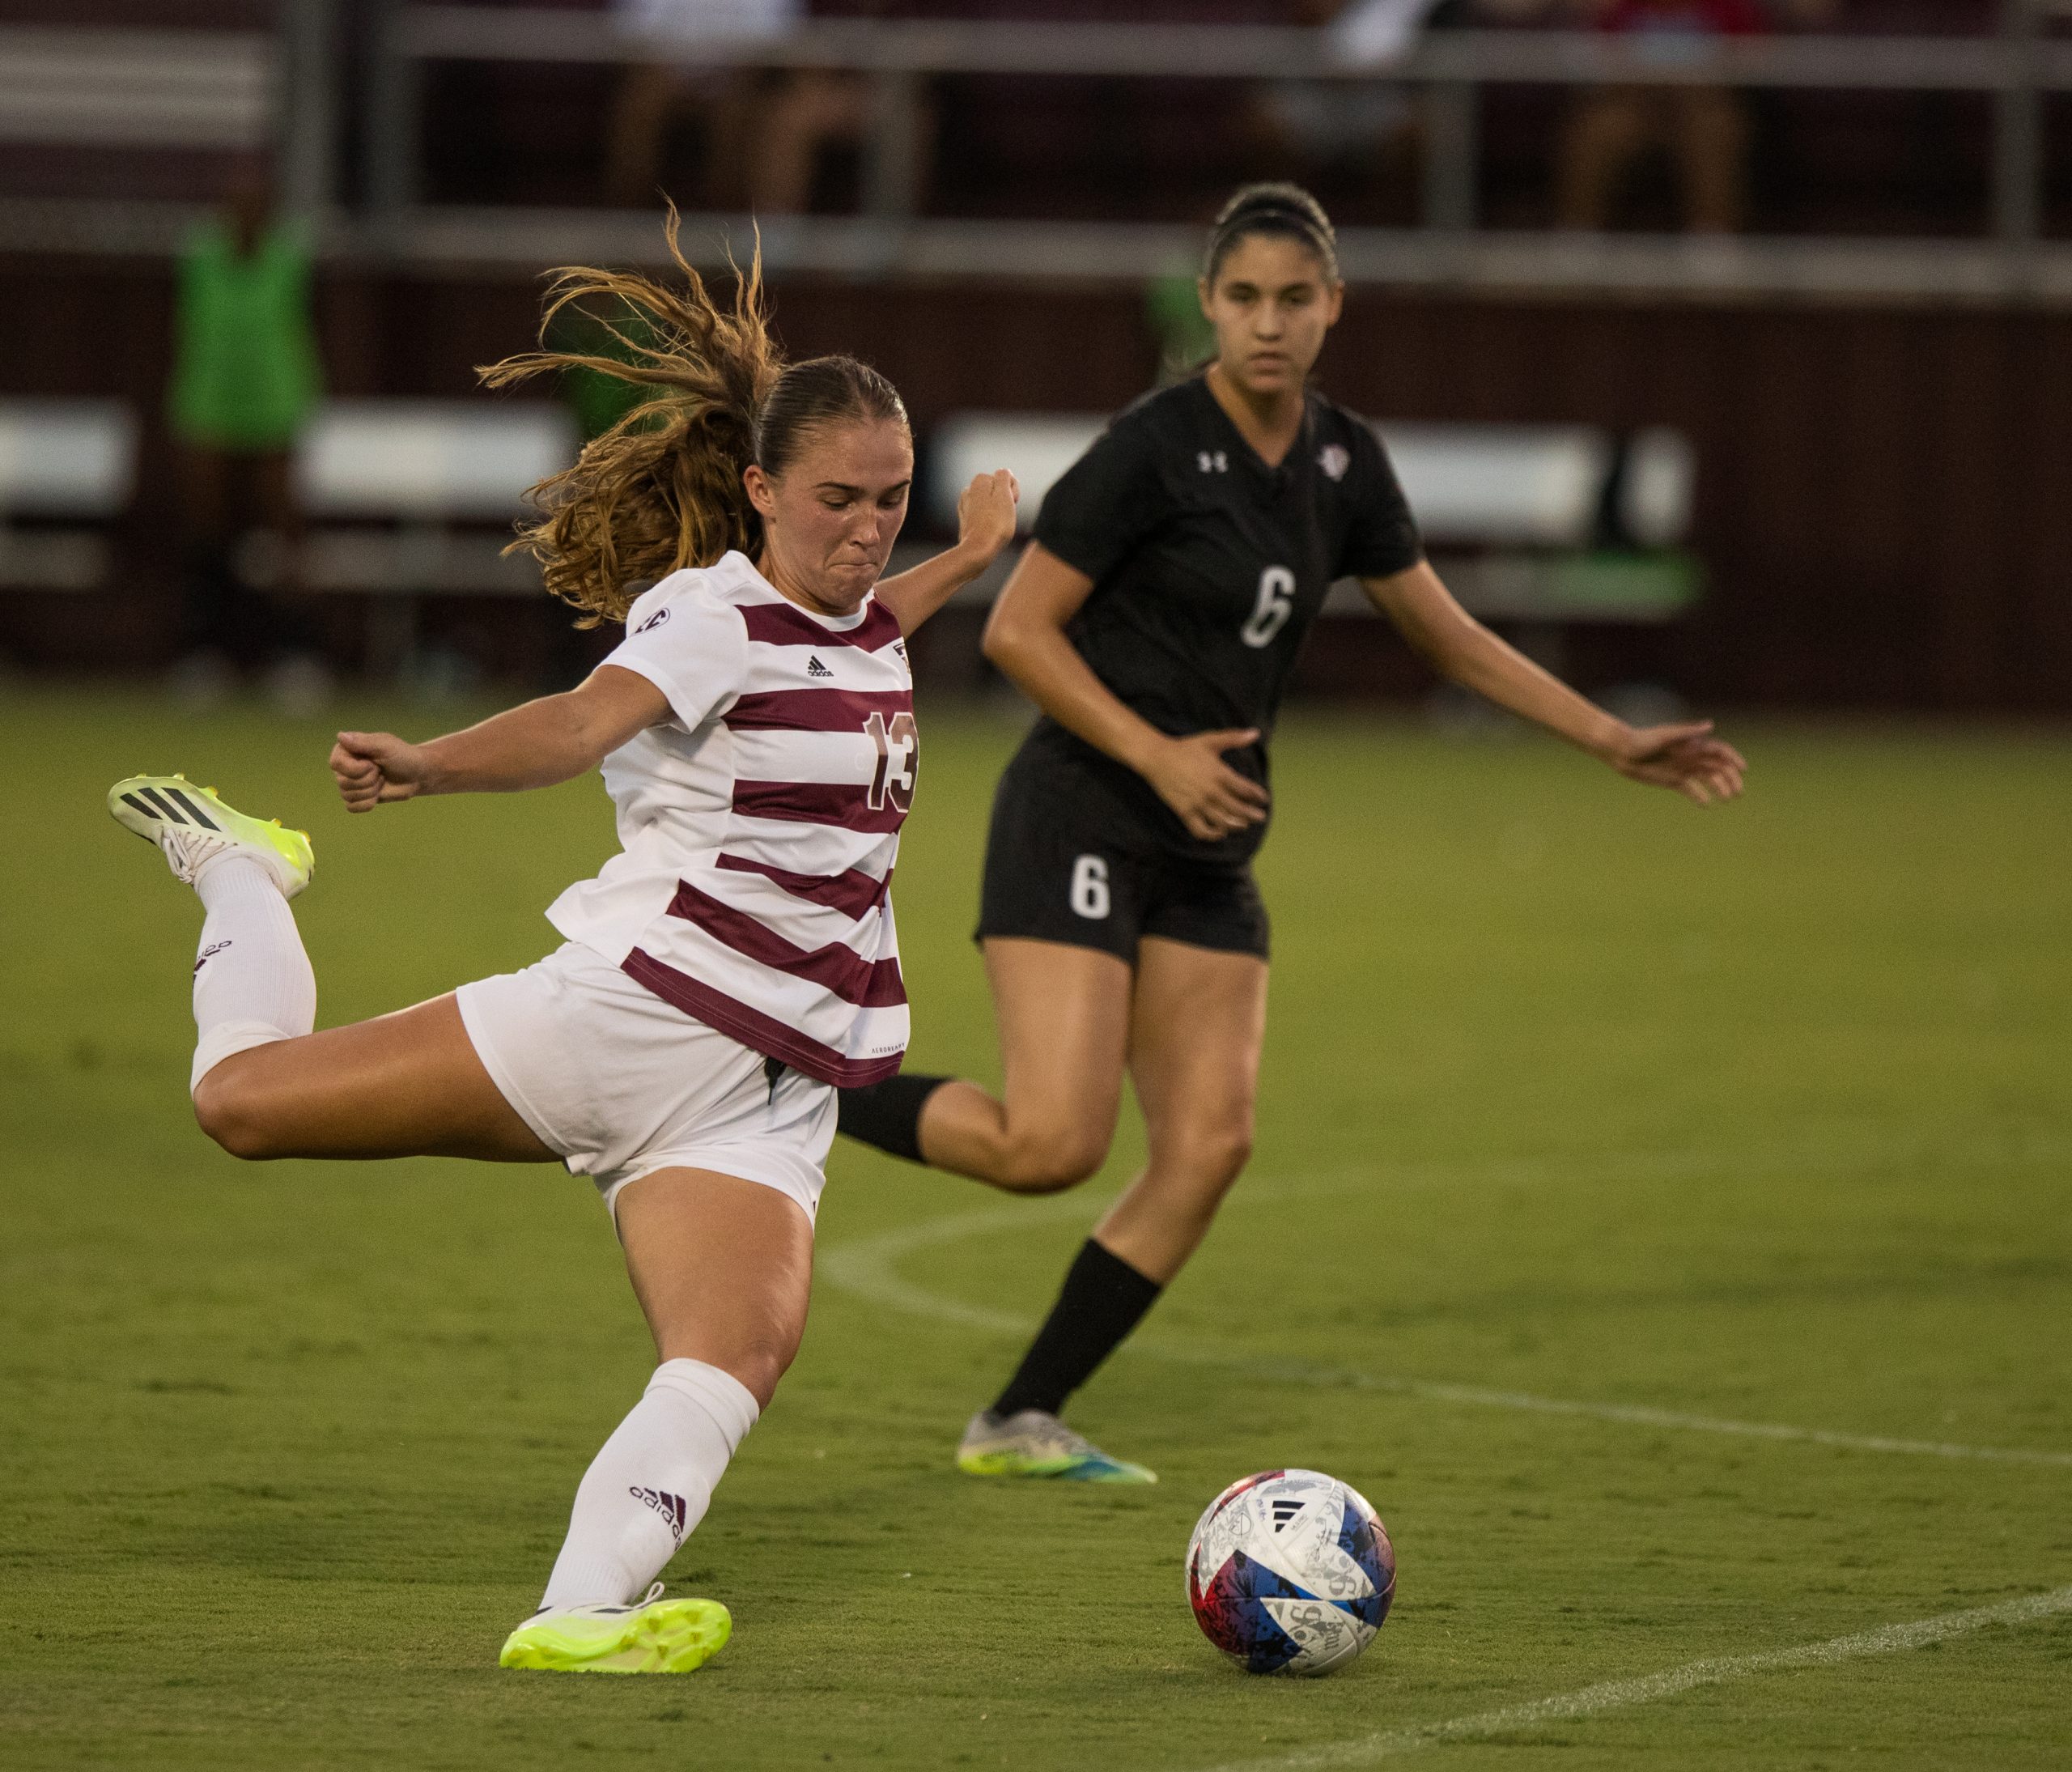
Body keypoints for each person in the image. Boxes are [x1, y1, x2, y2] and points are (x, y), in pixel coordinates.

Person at [108, 223, 1020, 1672]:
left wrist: (963, 552)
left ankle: (578, 1615)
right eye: (838, 498)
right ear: (761, 489)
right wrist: (429, 762)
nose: (866, 527)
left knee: (735, 1354)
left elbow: (879, 616)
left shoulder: (859, 619)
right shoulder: (712, 609)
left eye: (891, 497)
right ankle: (241, 871)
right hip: (633, 1015)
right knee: (243, 1105)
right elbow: (586, 720)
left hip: (766, 1087)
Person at [836, 182, 1745, 1485]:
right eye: (1245, 298)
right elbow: (1016, 632)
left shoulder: (1342, 462)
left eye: (1295, 299)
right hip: (1086, 807)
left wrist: (1611, 738)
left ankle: (1018, 1417)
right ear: (1209, 305)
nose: (1269, 323)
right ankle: (807, 1084)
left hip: (1213, 840)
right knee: (1051, 1147)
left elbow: (1447, 635)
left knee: (1210, 1145)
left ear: (1333, 310)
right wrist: (1153, 751)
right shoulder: (1153, 446)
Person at [165, 163, 328, 709]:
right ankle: (205, 654)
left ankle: (294, 653)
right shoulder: (199, 258)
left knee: (280, 535)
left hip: (275, 406)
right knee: (207, 530)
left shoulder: (291, 260)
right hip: (208, 405)